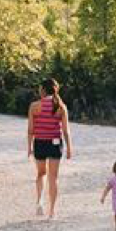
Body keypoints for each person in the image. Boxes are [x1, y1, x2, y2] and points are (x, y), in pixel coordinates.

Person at [27, 78, 72, 219]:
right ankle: (52, 212)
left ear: (43, 90)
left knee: (41, 174)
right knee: (53, 178)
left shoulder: (34, 106)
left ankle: (40, 201)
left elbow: (30, 130)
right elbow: (65, 131)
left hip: (39, 143)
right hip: (55, 144)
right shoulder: (61, 106)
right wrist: (70, 147)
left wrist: (29, 147)